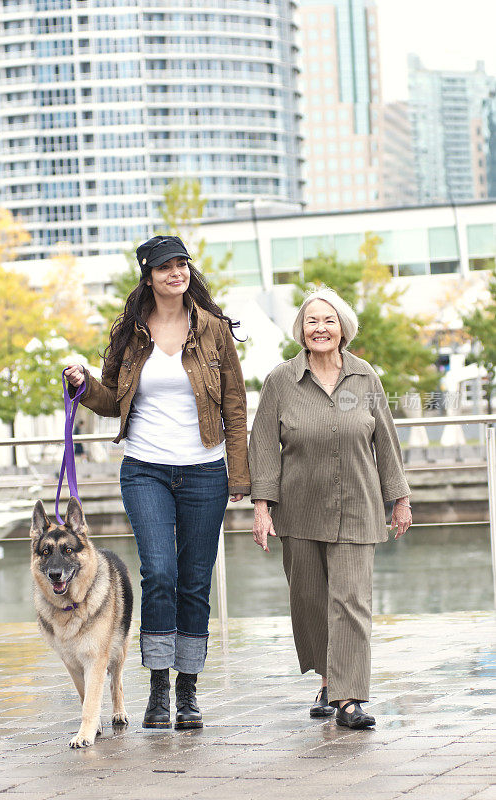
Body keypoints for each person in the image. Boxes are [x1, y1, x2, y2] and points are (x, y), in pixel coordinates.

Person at [65, 235, 250, 730]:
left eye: (182, 265)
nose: (177, 273)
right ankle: (156, 685)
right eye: (165, 267)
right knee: (160, 573)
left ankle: (186, 690)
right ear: (148, 275)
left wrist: (241, 473)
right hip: (145, 466)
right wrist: (82, 385)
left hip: (205, 470)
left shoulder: (212, 330)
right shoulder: (128, 333)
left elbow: (234, 403)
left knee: (193, 581)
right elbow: (111, 401)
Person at [248, 287, 411, 730]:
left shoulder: (365, 377)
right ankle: (328, 680)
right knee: (311, 601)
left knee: (352, 601)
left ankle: (348, 698)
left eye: (329, 321)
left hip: (358, 504)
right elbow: (263, 448)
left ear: (343, 329)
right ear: (301, 329)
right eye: (312, 321)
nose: (320, 329)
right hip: (298, 510)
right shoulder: (281, 380)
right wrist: (262, 508)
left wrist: (400, 499)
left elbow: (386, 442)